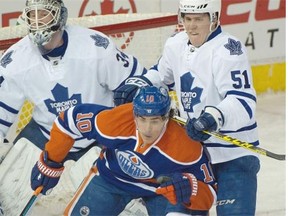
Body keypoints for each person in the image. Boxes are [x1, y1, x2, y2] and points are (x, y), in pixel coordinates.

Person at [113, 0, 261, 215]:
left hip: (233, 155)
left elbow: (243, 101)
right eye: (187, 18)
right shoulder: (176, 44)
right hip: (192, 155)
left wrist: (212, 118)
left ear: (215, 19)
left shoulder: (229, 50)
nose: (191, 26)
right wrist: (139, 83)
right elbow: (161, 75)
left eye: (199, 19)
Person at [30, 86, 217, 216]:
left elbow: (209, 191)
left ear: (167, 117)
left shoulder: (185, 145)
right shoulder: (116, 121)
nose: (147, 129)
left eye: (155, 121)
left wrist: (191, 188)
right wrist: (51, 161)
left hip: (159, 189)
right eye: (142, 119)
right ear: (134, 114)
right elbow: (68, 120)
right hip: (111, 179)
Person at [0, 0, 148, 161]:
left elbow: (139, 84)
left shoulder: (95, 47)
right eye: (32, 15)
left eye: (44, 14)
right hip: (46, 133)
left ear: (60, 16)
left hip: (99, 132)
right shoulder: (15, 61)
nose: (38, 21)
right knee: (12, 181)